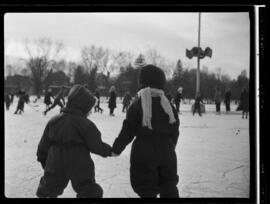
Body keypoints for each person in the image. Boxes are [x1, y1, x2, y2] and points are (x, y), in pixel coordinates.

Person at [112, 65, 180, 198]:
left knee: (146, 189)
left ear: (142, 82)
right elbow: (175, 129)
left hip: (144, 153)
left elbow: (128, 130)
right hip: (167, 152)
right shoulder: (168, 105)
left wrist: (116, 148)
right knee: (169, 186)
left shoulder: (138, 105)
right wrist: (169, 146)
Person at [36, 84, 112, 198]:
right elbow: (96, 145)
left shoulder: (54, 121)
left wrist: (45, 162)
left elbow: (43, 146)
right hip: (79, 162)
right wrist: (110, 151)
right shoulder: (86, 124)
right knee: (88, 189)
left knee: (48, 188)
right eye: (89, 109)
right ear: (83, 107)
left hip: (55, 161)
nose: (90, 112)